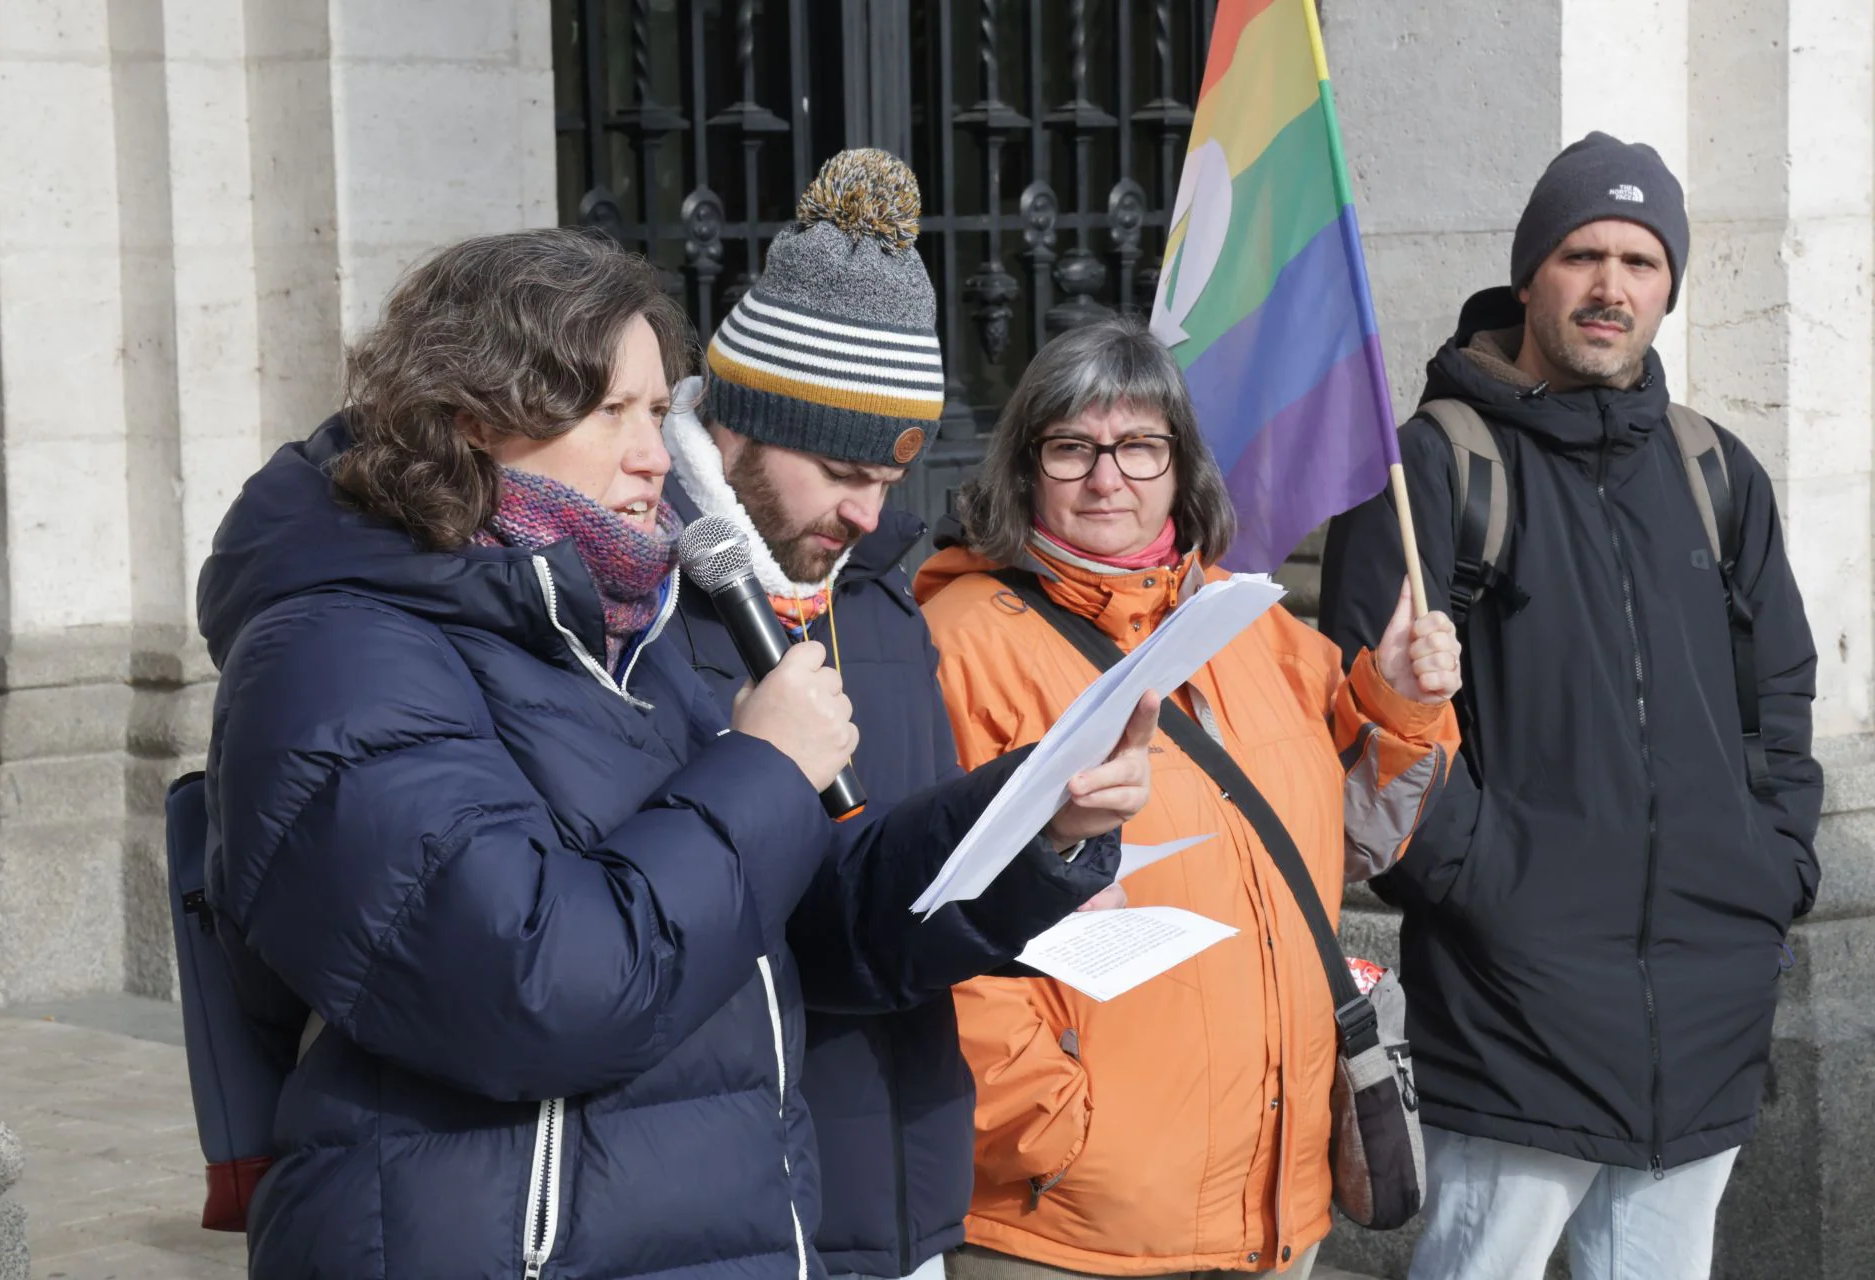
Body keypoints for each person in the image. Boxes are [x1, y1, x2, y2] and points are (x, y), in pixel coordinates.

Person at [193, 227, 1157, 1280]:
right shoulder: (332, 650)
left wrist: (1029, 824)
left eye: (656, 410)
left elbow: (779, 921)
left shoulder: (611, 627)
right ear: (475, 414)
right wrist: (764, 766)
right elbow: (535, 982)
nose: (655, 453)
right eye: (611, 412)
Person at [1319, 133, 1824, 1280]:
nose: (1611, 288)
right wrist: (1484, 880)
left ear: (1669, 287)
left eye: (1641, 263)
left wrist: (1774, 867)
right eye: (1583, 255)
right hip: (1514, 1016)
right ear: (1530, 272)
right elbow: (1359, 732)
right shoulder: (1431, 471)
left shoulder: (1718, 472)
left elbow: (1780, 696)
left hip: (1703, 1010)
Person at [914, 315, 1463, 1280]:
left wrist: (1402, 708)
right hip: (1079, 1222)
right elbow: (921, 914)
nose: (1106, 477)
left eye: (1138, 447)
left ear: (1180, 467)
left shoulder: (1257, 630)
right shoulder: (956, 644)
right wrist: (1049, 1131)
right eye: (1073, 447)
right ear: (1025, 466)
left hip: (1274, 1213)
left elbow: (1359, 841)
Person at [663, 148, 1074, 1280]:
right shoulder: (646, 597)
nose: (866, 510)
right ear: (737, 424)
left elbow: (882, 901)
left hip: (901, 1193)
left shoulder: (886, 599)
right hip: (735, 1201)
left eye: (889, 478)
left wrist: (1048, 834)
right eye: (842, 467)